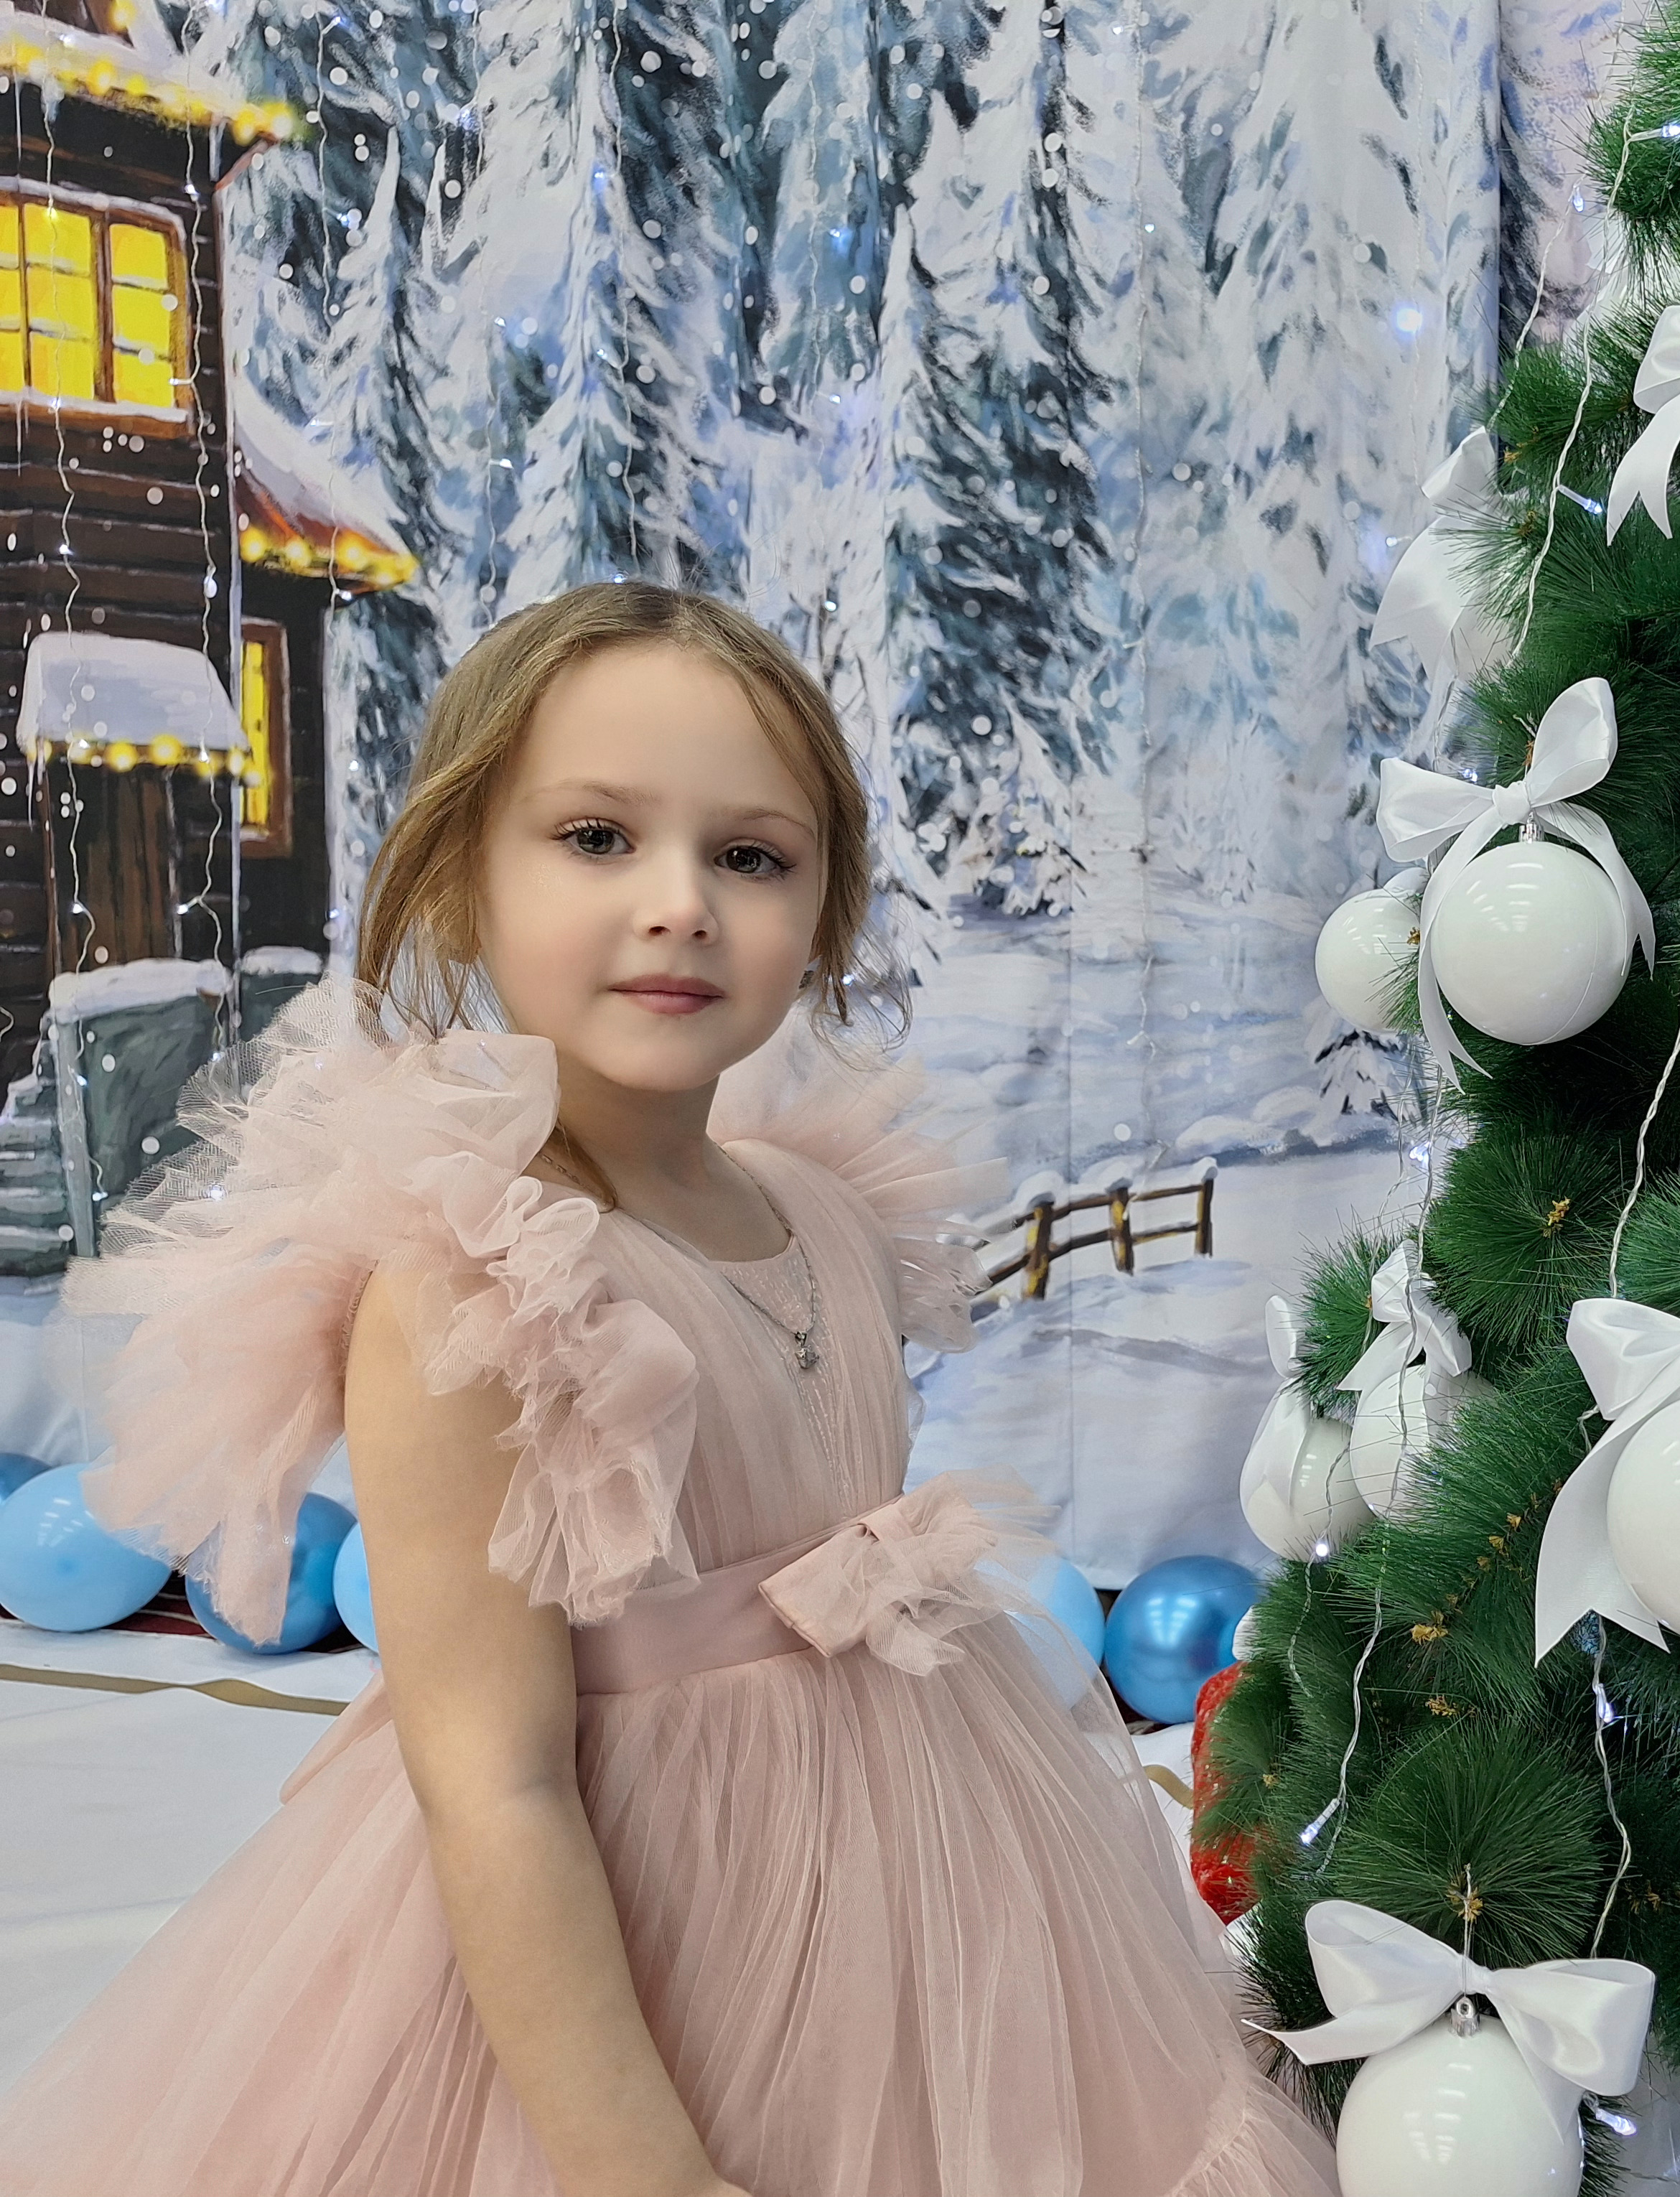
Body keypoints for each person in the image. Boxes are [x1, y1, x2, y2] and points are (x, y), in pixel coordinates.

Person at [0, 584, 1340, 2197]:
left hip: (923, 1869)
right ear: (462, 879)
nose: (681, 905)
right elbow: (494, 1785)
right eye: (595, 838)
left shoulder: (829, 1209)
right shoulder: (472, 1290)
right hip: (639, 1934)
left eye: (752, 857)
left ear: (826, 911)